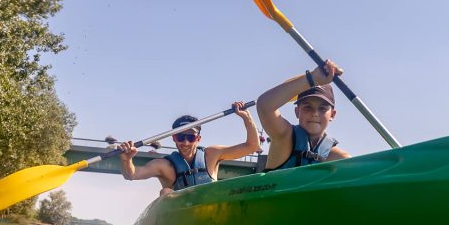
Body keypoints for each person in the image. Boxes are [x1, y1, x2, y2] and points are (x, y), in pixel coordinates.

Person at [117, 101, 259, 196]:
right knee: (166, 192)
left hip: (210, 210)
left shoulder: (212, 154)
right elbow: (131, 175)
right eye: (180, 137)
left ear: (198, 139)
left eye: (190, 138)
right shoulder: (163, 166)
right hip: (182, 214)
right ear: (173, 138)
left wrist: (247, 118)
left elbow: (252, 146)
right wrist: (127, 160)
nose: (185, 142)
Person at [256, 60, 352, 171]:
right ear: (297, 112)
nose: (315, 113)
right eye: (307, 107)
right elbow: (264, 106)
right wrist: (312, 78)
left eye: (322, 108)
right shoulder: (284, 136)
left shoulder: (341, 159)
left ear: (332, 115)